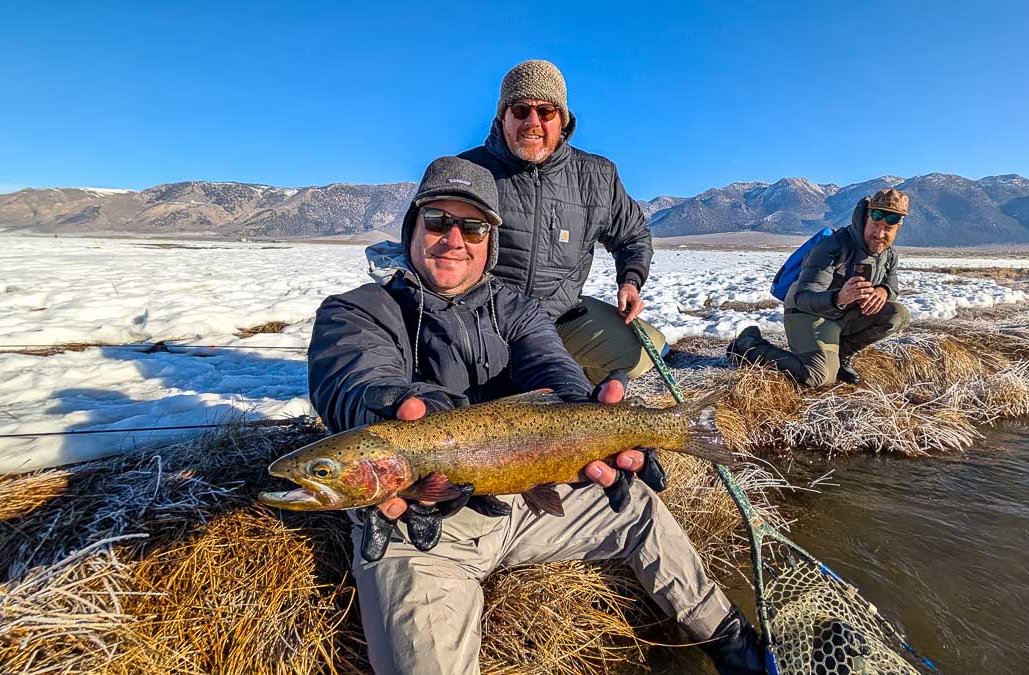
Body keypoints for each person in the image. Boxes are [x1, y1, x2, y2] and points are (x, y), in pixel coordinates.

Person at [308, 156, 764, 675]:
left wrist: (590, 416)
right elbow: (350, 381)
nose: (454, 238)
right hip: (420, 529)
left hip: (527, 498)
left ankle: (732, 642)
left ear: (489, 241)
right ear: (414, 228)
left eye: (472, 227)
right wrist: (398, 405)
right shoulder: (358, 309)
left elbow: (551, 365)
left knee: (635, 505)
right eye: (438, 221)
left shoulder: (517, 308)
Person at [457, 59, 667, 385]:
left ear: (563, 119)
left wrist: (630, 281)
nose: (533, 122)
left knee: (645, 351)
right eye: (520, 109)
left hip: (560, 316)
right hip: (483, 321)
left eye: (546, 111)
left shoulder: (597, 176)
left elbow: (633, 235)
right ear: (503, 116)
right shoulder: (469, 172)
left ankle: (573, 383)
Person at [727, 188, 912, 387]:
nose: (879, 233)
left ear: (897, 229)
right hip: (807, 312)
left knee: (898, 314)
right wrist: (838, 298)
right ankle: (750, 345)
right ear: (866, 218)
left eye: (887, 229)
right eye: (875, 224)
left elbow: (893, 288)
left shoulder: (889, 255)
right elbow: (803, 297)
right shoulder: (834, 246)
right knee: (818, 377)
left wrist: (883, 291)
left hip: (841, 314)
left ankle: (842, 355)